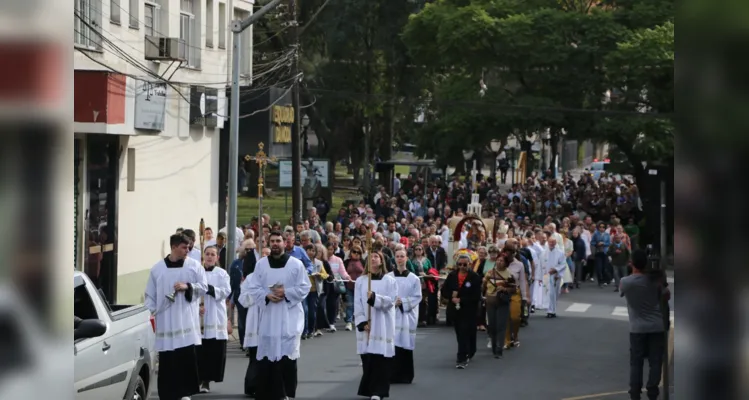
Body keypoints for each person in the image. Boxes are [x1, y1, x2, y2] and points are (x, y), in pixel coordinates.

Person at [247, 231, 312, 400]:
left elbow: (305, 287)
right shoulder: (261, 265)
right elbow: (253, 287)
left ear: (285, 243)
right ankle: (268, 394)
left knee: (287, 358)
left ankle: (287, 393)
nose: (275, 244)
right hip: (269, 317)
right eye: (272, 241)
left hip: (289, 318)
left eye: (278, 241)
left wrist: (286, 292)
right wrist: (266, 296)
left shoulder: (296, 264)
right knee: (268, 358)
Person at [144, 233, 207, 400]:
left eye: (189, 247)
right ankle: (168, 394)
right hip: (166, 321)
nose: (188, 250)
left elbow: (203, 287)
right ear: (173, 247)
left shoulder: (193, 266)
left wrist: (188, 286)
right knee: (168, 360)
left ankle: (185, 393)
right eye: (184, 247)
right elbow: (149, 295)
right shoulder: (158, 269)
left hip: (185, 319)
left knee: (185, 357)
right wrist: (150, 311)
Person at [620, 249, 669, 400]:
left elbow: (622, 292)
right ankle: (652, 390)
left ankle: (635, 392)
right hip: (656, 326)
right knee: (655, 361)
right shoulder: (655, 280)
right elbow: (666, 296)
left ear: (632, 263)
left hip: (637, 328)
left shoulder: (626, 282)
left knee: (636, 362)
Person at [355, 251, 398, 400]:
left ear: (381, 261)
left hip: (382, 323)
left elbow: (391, 301)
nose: (373, 259)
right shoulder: (361, 281)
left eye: (376, 256)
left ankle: (378, 391)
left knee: (381, 359)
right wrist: (362, 321)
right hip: (367, 323)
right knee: (368, 358)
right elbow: (357, 303)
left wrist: (374, 298)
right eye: (370, 256)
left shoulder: (389, 280)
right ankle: (369, 389)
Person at [196, 246, 231, 393]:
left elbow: (226, 291)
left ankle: (206, 381)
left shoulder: (222, 273)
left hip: (216, 315)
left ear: (217, 258)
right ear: (204, 256)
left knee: (212, 351)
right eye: (207, 254)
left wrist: (210, 289)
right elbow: (192, 291)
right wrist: (197, 306)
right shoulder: (197, 272)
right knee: (199, 351)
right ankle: (196, 379)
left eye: (213, 255)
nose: (210, 257)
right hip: (200, 316)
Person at [441, 253, 482, 369]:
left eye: (465, 264)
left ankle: (462, 358)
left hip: (469, 309)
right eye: (460, 264)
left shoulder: (474, 277)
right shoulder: (452, 275)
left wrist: (462, 299)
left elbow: (476, 295)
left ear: (469, 264)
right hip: (455, 309)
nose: (462, 267)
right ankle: (465, 351)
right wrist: (451, 297)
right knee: (460, 332)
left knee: (467, 331)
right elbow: (444, 291)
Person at [388, 249, 422, 384]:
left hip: (407, 315)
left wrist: (403, 302)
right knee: (393, 343)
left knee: (405, 343)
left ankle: (405, 375)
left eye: (402, 256)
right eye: (397, 256)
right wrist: (392, 302)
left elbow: (417, 296)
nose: (400, 259)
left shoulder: (413, 278)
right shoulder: (389, 277)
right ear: (394, 259)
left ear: (407, 258)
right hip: (392, 313)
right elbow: (384, 294)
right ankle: (392, 375)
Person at [238, 248, 262, 398]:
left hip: (271, 320)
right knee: (255, 356)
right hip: (255, 319)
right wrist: (259, 296)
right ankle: (252, 385)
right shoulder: (251, 278)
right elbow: (242, 298)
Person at [482, 254, 514, 359]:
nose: (499, 262)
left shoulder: (509, 274)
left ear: (506, 263)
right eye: (498, 260)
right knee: (492, 325)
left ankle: (499, 349)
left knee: (501, 325)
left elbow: (513, 289)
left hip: (502, 301)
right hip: (490, 301)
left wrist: (505, 289)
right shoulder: (490, 272)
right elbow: (484, 287)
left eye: (502, 261)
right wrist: (484, 282)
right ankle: (494, 346)